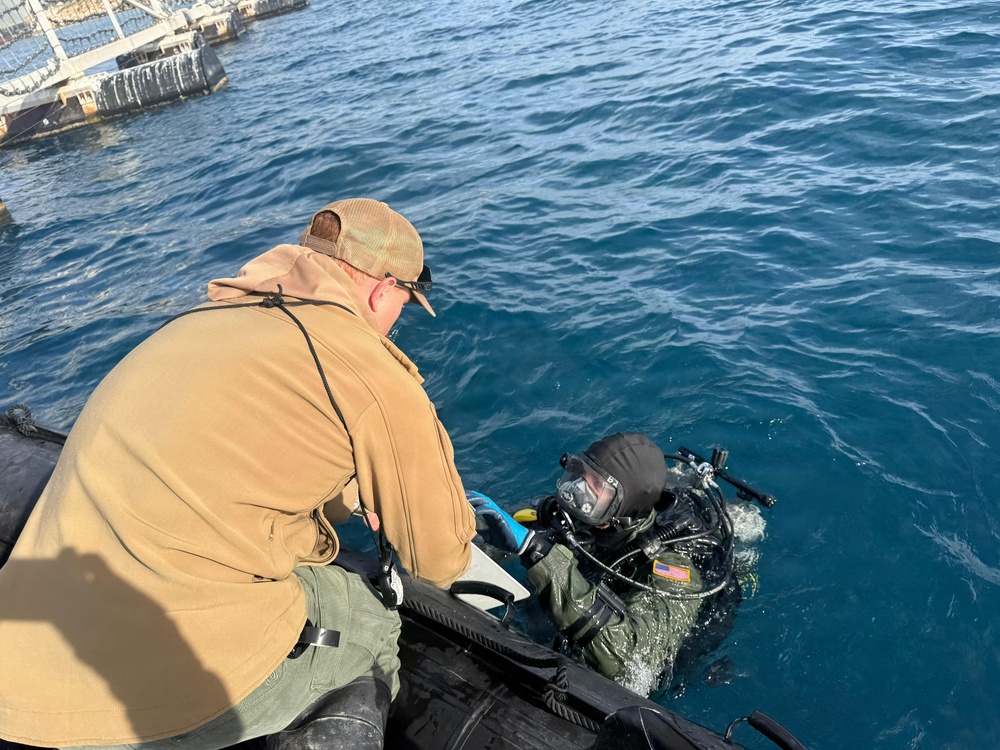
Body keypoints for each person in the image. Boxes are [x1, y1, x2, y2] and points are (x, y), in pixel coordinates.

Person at [0, 198, 476, 750]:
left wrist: (341, 493)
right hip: (132, 696)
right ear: (381, 289)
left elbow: (233, 456)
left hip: (18, 659)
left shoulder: (198, 323)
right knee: (370, 625)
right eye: (404, 304)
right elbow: (438, 560)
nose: (397, 322)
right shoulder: (371, 372)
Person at [470, 432, 743, 694]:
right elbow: (507, 533)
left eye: (595, 487)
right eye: (580, 474)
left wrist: (541, 555)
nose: (578, 491)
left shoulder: (676, 571)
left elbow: (629, 661)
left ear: (622, 510)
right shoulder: (589, 518)